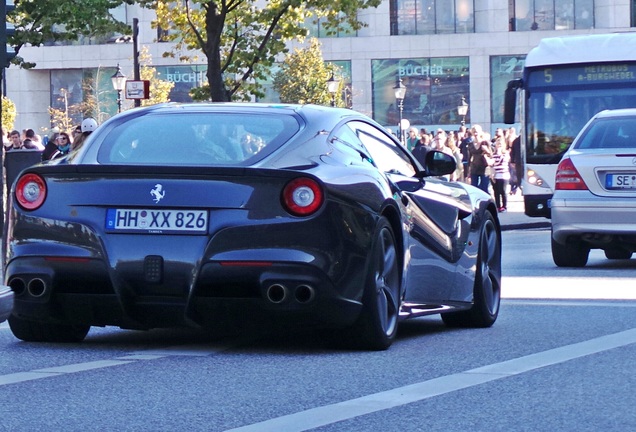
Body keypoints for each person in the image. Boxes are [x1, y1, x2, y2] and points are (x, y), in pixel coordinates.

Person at [468, 127, 493, 193]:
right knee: (474, 188)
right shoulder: (470, 144)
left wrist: (486, 150)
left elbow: (491, 155)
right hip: (474, 168)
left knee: (484, 188)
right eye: (474, 131)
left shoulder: (485, 143)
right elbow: (469, 158)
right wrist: (468, 171)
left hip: (484, 168)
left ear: (480, 132)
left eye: (477, 131)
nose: (475, 133)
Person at [492, 137, 511, 212]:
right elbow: (493, 165)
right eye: (497, 144)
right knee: (496, 192)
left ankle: (504, 206)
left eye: (500, 144)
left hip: (503, 175)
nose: (499, 145)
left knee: (503, 191)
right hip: (496, 175)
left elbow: (501, 161)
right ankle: (498, 206)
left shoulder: (505, 153)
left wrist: (500, 153)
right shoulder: (493, 154)